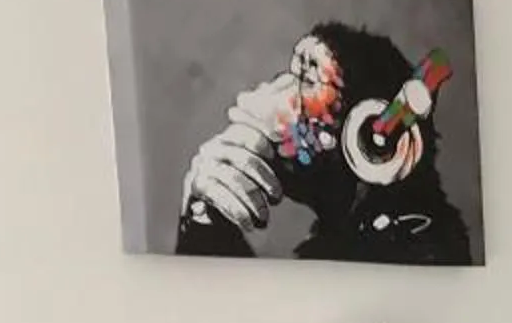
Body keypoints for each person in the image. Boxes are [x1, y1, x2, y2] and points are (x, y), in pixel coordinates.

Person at [177, 22, 474, 265]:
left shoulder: (420, 240)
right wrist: (204, 219)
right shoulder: (339, 245)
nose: (269, 93)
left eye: (306, 78)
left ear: (367, 125)